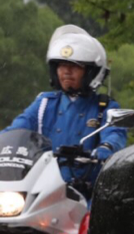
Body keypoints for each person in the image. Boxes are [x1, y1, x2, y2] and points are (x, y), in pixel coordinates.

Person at [3, 25, 127, 196]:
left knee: (95, 220)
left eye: (74, 66)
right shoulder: (44, 104)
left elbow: (115, 134)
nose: (66, 71)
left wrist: (106, 148)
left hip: (86, 193)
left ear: (91, 72)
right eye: (61, 65)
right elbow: (16, 130)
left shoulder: (104, 107)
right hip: (43, 189)